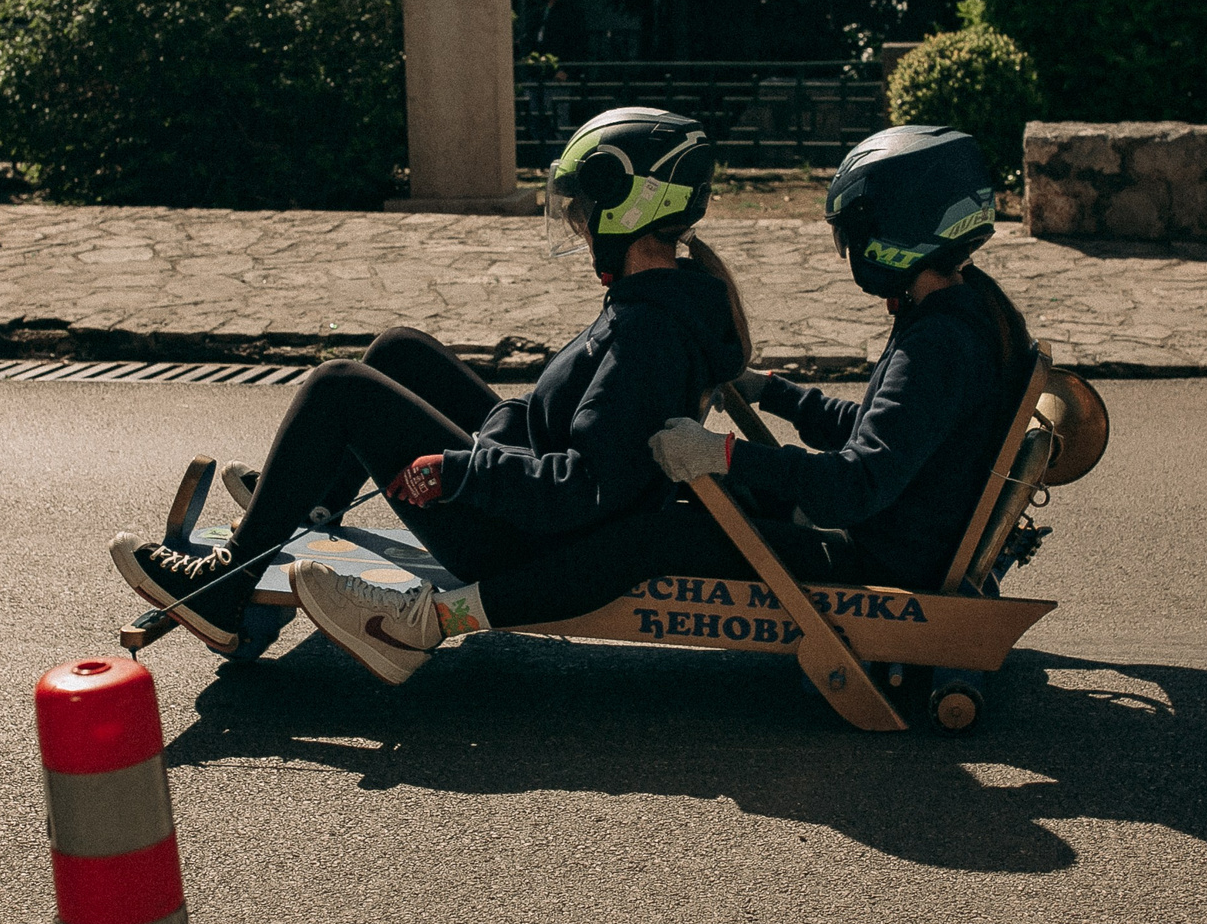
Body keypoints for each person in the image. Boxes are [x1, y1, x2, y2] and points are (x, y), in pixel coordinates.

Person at [282, 125, 1039, 676]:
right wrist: (775, 393)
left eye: (856, 233)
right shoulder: (965, 314)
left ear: (903, 228)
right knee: (663, 511)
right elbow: (880, 435)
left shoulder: (937, 341)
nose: (850, 252)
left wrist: (726, 456)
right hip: (881, 530)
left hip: (869, 554)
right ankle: (315, 500)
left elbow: (860, 482)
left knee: (647, 535)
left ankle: (428, 623)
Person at [113, 107, 748, 675]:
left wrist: (461, 469)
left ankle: (225, 588)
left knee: (339, 386)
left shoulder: (647, 337)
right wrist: (495, 439)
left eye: (583, 208)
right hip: (529, 486)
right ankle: (310, 506)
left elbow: (585, 487)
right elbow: (579, 429)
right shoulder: (668, 298)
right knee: (398, 348)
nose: (579, 224)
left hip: (517, 543)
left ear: (629, 202)